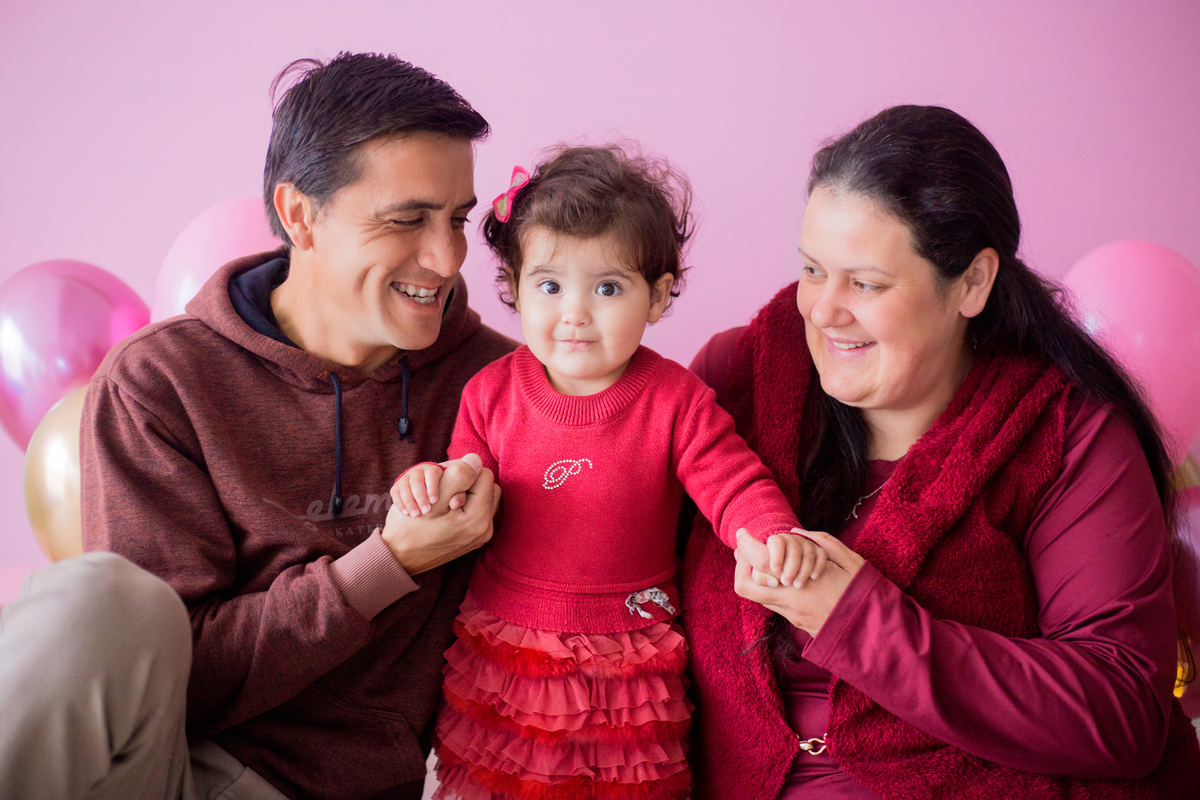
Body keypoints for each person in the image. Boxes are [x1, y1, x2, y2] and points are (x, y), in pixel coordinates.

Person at [0, 53, 514, 800]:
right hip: (177, 772)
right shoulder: (162, 381)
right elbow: (179, 681)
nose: (445, 258)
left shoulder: (501, 384)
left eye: (456, 219)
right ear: (301, 215)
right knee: (97, 602)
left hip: (382, 784)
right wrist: (383, 568)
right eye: (408, 220)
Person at [682, 105, 1200, 799]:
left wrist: (859, 621)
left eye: (865, 283)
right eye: (812, 269)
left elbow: (1123, 710)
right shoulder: (734, 383)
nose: (823, 309)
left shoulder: (1067, 436)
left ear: (973, 283)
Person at [389, 145, 826, 800]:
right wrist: (430, 485)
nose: (574, 311)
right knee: (496, 782)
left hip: (630, 650)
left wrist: (771, 531)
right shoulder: (490, 392)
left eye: (608, 288)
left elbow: (732, 480)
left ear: (657, 297)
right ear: (513, 289)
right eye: (550, 285)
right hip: (510, 649)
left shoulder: (674, 401)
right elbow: (465, 477)